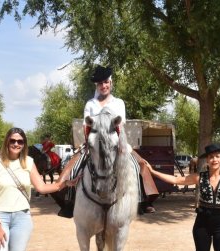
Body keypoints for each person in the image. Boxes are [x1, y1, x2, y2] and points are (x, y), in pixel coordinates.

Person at [55, 65, 159, 217]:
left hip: (116, 142)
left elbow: (120, 125)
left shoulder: (119, 103)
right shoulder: (90, 104)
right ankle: (70, 201)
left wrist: (121, 145)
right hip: (94, 143)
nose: (103, 86)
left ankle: (140, 201)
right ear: (96, 86)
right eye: (100, 83)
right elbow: (86, 126)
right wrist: (88, 144)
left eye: (106, 82)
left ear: (111, 83)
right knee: (75, 167)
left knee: (137, 166)